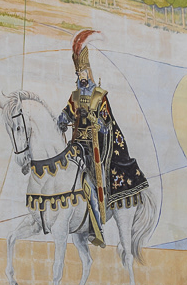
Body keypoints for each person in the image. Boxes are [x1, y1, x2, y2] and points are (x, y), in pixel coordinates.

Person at [57, 30, 148, 246]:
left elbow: (106, 124)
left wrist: (94, 120)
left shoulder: (99, 96)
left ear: (88, 72)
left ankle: (96, 227)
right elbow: (67, 113)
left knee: (89, 184)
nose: (81, 75)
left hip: (95, 149)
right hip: (76, 147)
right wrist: (61, 119)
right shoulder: (75, 96)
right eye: (78, 72)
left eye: (83, 71)